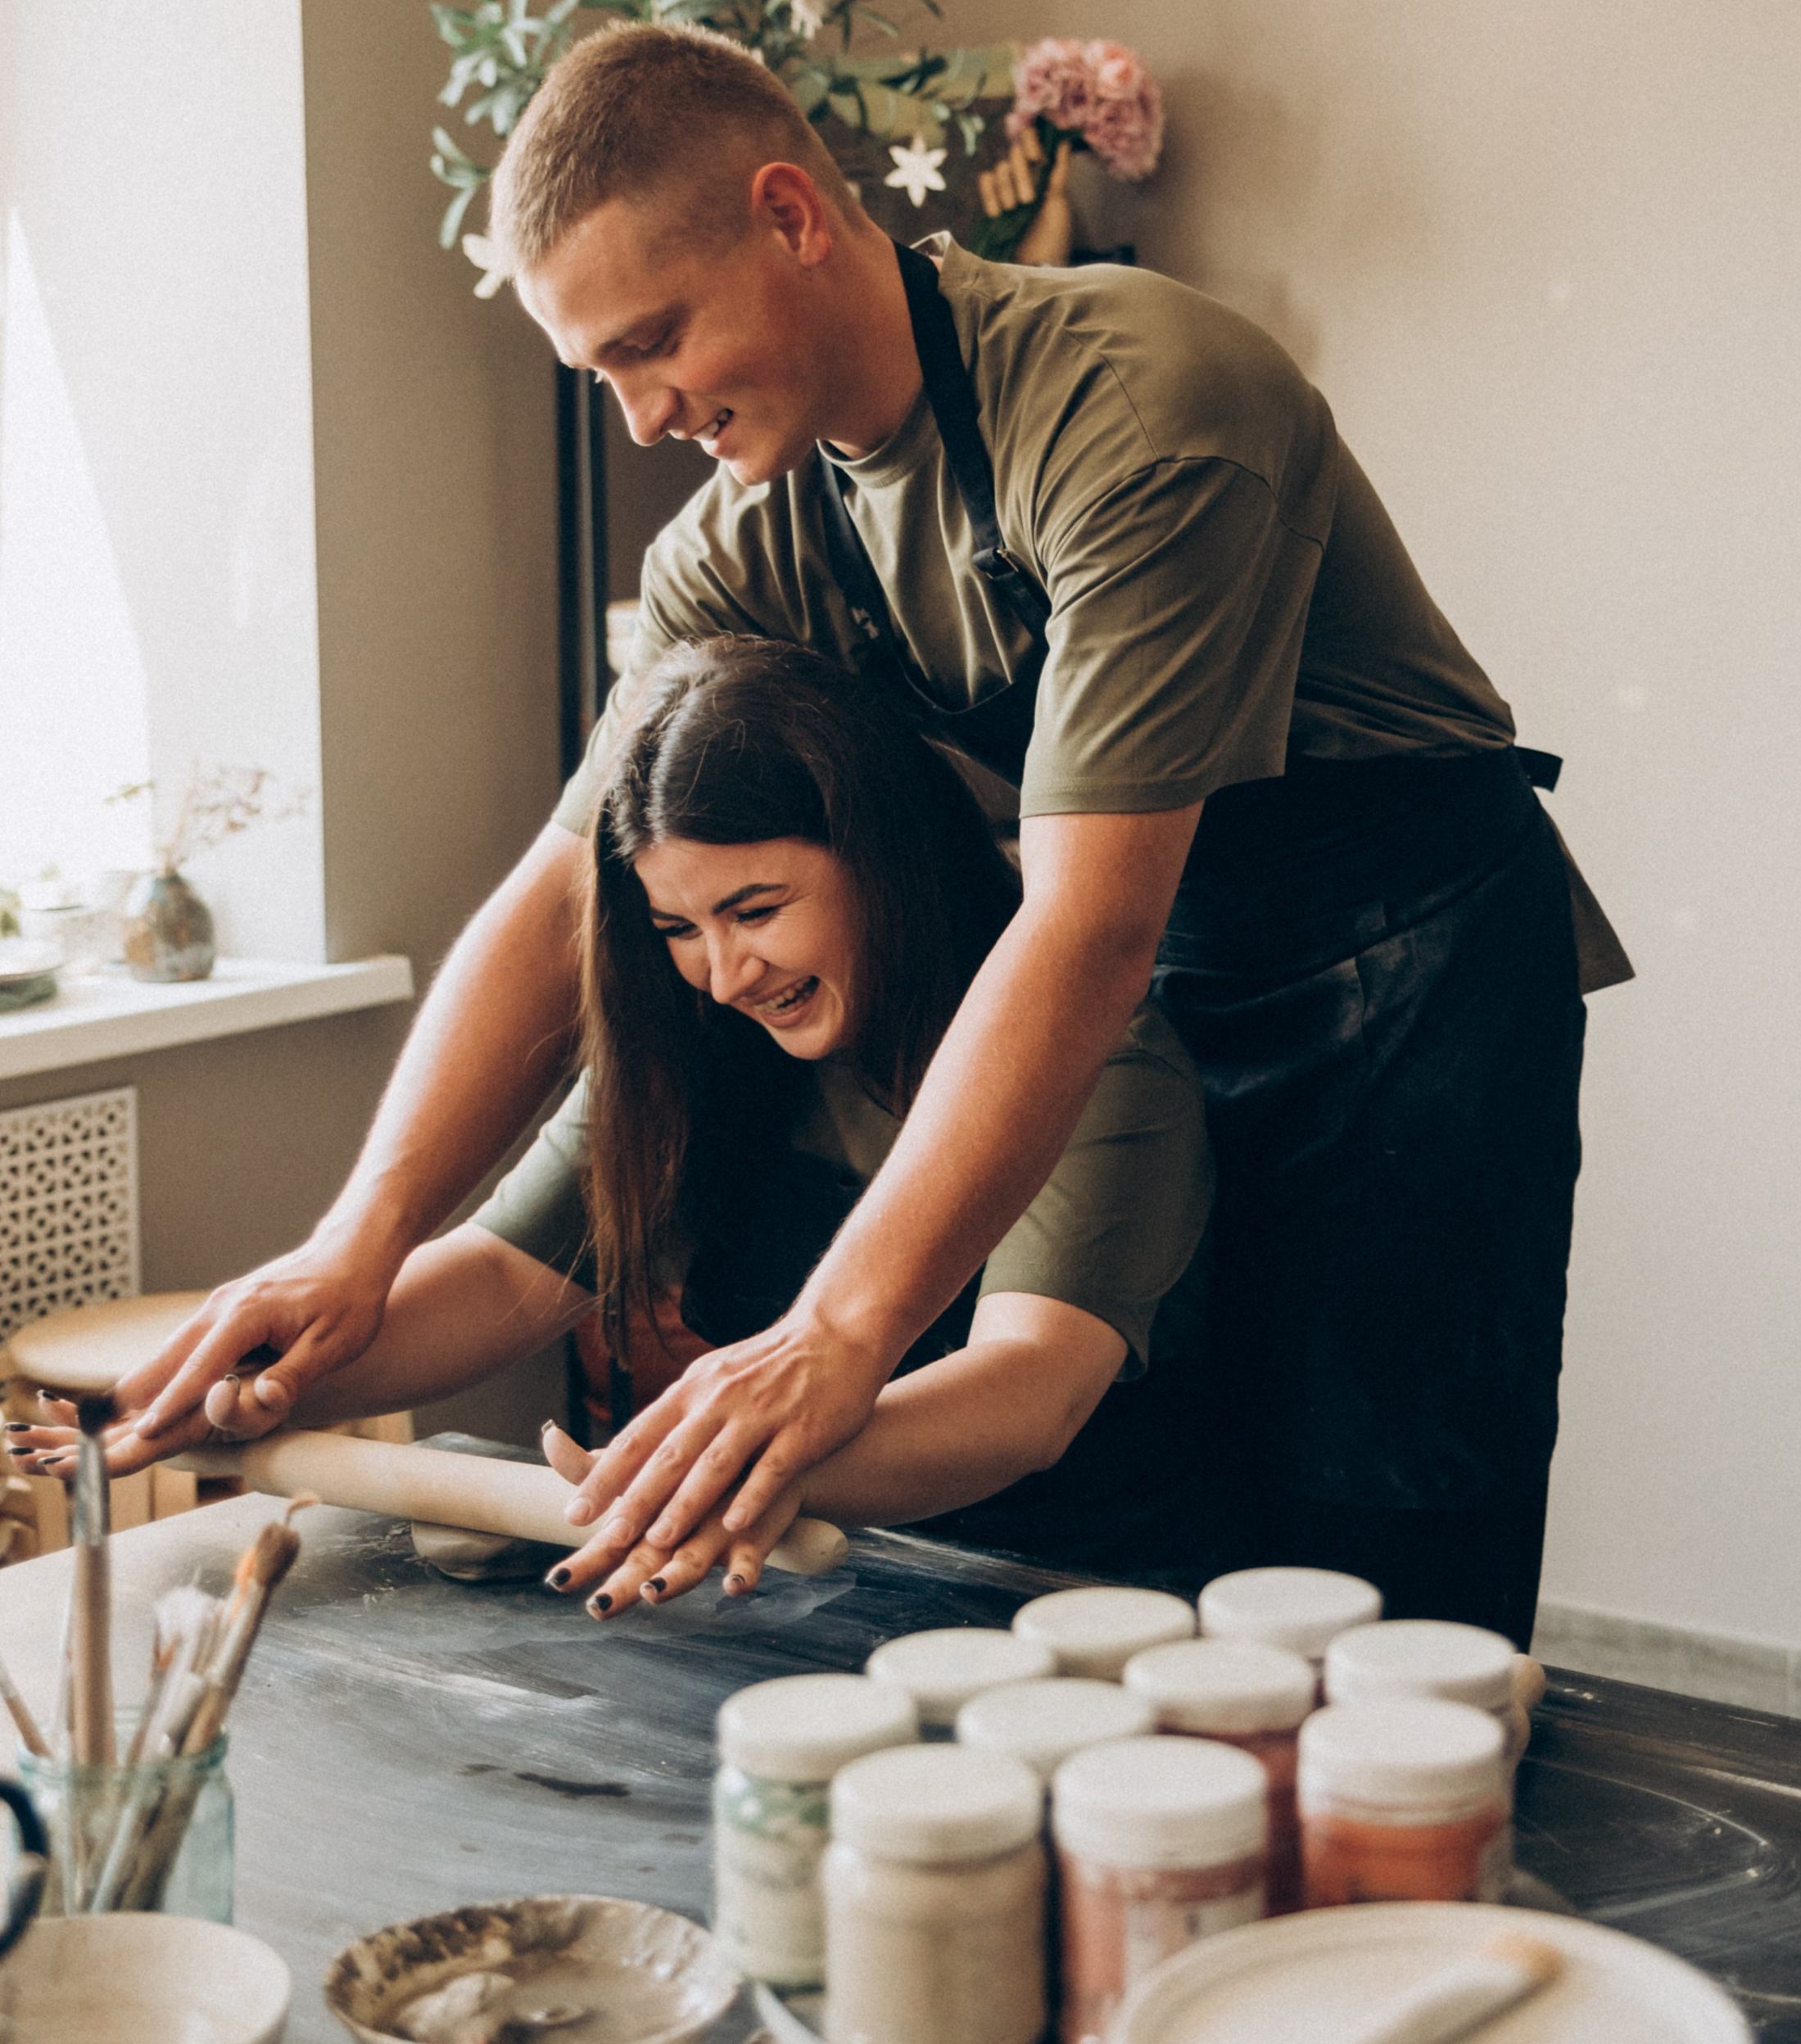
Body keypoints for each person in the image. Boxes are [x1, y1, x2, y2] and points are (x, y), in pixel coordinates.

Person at [122, 20, 1619, 1646]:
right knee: (1186, 1532)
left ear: (789, 214)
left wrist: (838, 1332)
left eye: (654, 341)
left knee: (1378, 1547)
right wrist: (356, 1248)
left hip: (1396, 990)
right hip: (1157, 968)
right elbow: (565, 894)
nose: (638, 416)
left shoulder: (1142, 410)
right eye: (602, 373)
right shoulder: (741, 544)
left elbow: (1086, 924)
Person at [62, 640, 1219, 1603]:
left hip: (1070, 1603)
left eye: (756, 910)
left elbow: (1027, 1396)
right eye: (677, 928)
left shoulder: (1107, 1065)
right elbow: (504, 1281)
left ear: (887, 864)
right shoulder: (700, 1045)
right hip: (791, 1582)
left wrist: (691, 1470)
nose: (722, 973)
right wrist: (216, 1400)